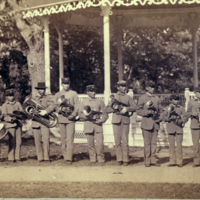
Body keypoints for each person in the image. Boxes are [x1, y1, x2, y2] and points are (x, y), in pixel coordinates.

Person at [106, 80, 137, 166]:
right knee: (117, 141)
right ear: (118, 87)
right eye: (122, 86)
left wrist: (126, 109)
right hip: (116, 121)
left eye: (124, 86)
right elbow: (107, 109)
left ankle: (126, 159)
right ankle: (119, 159)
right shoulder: (113, 97)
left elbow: (135, 107)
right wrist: (114, 108)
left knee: (125, 141)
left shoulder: (128, 97)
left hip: (125, 120)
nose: (124, 88)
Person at [78, 84, 108, 163]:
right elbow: (80, 114)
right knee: (90, 144)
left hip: (98, 125)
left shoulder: (100, 102)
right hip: (88, 124)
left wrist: (101, 120)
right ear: (87, 92)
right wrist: (89, 117)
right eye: (91, 91)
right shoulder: (83, 102)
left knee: (100, 143)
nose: (93, 93)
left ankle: (101, 157)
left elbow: (105, 114)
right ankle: (92, 158)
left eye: (94, 91)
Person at [54, 78, 79, 164]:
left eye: (67, 83)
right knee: (63, 139)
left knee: (70, 139)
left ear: (69, 84)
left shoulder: (73, 93)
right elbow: (55, 106)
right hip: (61, 119)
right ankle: (65, 156)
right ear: (62, 84)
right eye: (64, 84)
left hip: (70, 119)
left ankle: (69, 158)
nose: (66, 85)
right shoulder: (58, 94)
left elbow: (77, 106)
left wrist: (73, 115)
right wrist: (60, 109)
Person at [136, 81, 161, 167]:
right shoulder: (142, 98)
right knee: (147, 143)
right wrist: (147, 112)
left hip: (155, 123)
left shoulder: (157, 98)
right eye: (150, 87)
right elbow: (138, 111)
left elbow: (160, 111)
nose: (152, 88)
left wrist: (160, 118)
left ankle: (153, 160)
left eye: (153, 87)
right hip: (146, 123)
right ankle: (147, 160)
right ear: (146, 88)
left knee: (154, 143)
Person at [161, 94, 188, 167]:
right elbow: (162, 117)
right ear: (171, 100)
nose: (176, 101)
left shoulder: (181, 108)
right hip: (170, 128)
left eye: (177, 99)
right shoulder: (167, 108)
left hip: (179, 128)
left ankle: (179, 162)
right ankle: (172, 161)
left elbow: (186, 117)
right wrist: (168, 119)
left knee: (179, 146)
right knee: (171, 146)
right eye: (174, 99)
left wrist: (181, 120)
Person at [31, 82, 55, 162]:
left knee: (46, 140)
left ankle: (46, 157)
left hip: (45, 121)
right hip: (35, 122)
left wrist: (46, 111)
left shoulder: (48, 98)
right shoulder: (33, 98)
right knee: (37, 141)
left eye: (43, 89)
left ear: (44, 90)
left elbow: (53, 105)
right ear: (37, 90)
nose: (41, 90)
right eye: (40, 89)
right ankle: (40, 157)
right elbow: (28, 108)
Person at [1, 86, 23, 162]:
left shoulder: (18, 104)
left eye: (12, 95)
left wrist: (19, 116)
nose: (11, 97)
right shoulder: (4, 105)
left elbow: (22, 113)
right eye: (9, 96)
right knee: (12, 141)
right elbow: (4, 116)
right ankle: (11, 158)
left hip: (18, 124)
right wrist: (11, 119)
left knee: (19, 141)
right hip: (10, 125)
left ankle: (17, 157)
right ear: (6, 97)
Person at [187, 87, 200, 167]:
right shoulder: (191, 102)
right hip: (195, 125)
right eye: (197, 92)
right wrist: (193, 113)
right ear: (195, 93)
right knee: (196, 145)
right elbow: (187, 113)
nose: (198, 94)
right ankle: (196, 161)